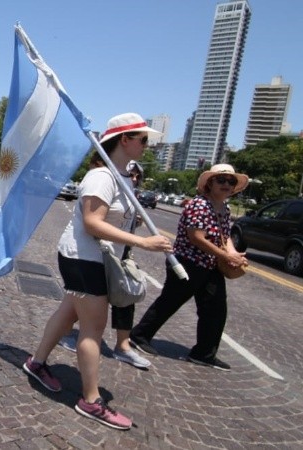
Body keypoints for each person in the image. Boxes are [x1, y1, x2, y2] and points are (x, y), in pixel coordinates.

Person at [22, 113, 172, 430]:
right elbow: (92, 224)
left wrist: (138, 226)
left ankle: (36, 363)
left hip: (92, 259)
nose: (147, 145)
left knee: (68, 313)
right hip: (83, 258)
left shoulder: (120, 176)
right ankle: (90, 401)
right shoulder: (102, 177)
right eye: (143, 139)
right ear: (125, 140)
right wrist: (143, 243)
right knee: (93, 328)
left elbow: (110, 220)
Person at [129, 164, 249, 371]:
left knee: (216, 309)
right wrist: (224, 254)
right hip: (188, 262)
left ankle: (204, 353)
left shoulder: (225, 209)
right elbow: (196, 238)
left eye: (231, 182)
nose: (226, 185)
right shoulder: (199, 205)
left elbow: (224, 236)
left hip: (210, 265)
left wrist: (233, 253)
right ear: (210, 183)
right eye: (221, 180)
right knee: (170, 301)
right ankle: (139, 336)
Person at [58, 159, 152, 370]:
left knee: (124, 297)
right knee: (80, 304)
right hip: (92, 254)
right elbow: (93, 221)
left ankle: (123, 345)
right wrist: (144, 242)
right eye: (132, 174)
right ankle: (59, 345)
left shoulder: (130, 194)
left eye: (138, 176)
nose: (135, 178)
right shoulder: (103, 182)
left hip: (118, 255)